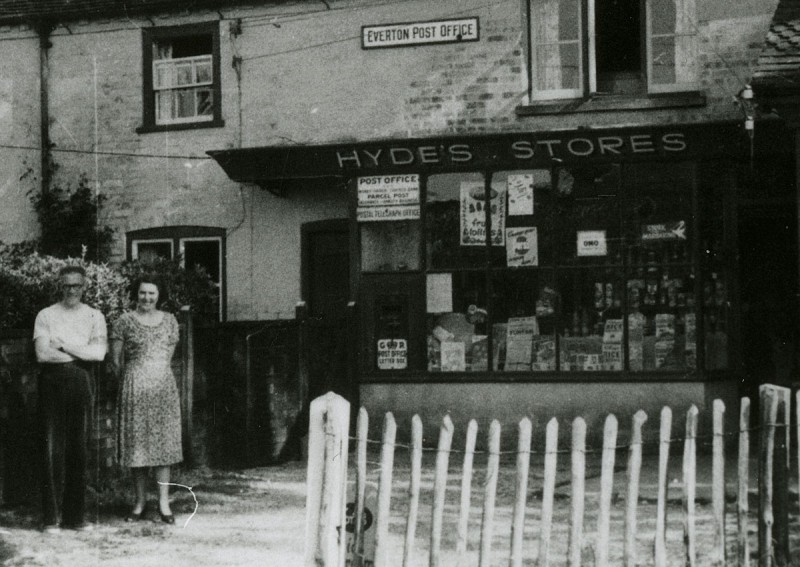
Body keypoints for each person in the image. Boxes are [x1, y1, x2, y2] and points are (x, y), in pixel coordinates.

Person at [34, 265, 108, 533]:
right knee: (51, 449)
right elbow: (43, 354)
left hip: (81, 382)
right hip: (51, 383)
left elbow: (99, 354)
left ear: (84, 286)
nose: (72, 290)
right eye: (67, 285)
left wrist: (64, 346)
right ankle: (50, 519)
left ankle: (75, 518)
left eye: (77, 285)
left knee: (79, 448)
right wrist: (81, 352)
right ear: (60, 286)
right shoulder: (46, 315)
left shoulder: (94, 316)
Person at [110, 275, 182, 524]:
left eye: (152, 293)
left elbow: (168, 356)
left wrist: (154, 373)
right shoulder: (124, 321)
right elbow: (116, 361)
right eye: (142, 293)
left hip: (163, 388)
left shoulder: (170, 321)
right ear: (135, 294)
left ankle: (164, 504)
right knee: (138, 448)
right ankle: (139, 503)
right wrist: (134, 377)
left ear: (159, 296)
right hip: (135, 388)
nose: (147, 298)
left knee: (163, 447)